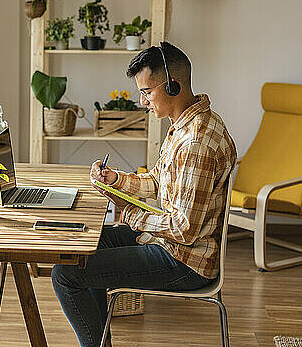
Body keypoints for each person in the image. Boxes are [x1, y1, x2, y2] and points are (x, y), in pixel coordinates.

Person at [51, 42, 237, 347]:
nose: (142, 101)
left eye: (147, 92)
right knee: (84, 248)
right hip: (169, 244)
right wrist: (115, 180)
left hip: (184, 261)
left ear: (173, 86)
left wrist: (133, 217)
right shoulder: (184, 125)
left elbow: (185, 229)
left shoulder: (196, 143)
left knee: (66, 274)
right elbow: (157, 180)